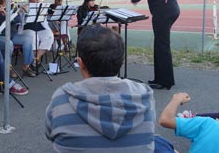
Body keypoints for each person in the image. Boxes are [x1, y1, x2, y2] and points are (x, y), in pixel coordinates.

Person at [45, 24, 157, 152]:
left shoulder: (62, 98)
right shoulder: (144, 96)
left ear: (80, 63)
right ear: (120, 61)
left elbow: (50, 133)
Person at [131, 0, 180, 90]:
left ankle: (165, 81)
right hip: (169, 10)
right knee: (161, 44)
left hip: (163, 12)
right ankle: (160, 78)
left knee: (162, 45)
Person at [0, 0, 36, 77]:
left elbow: (17, 20)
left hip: (12, 35)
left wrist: (10, 14)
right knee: (8, 43)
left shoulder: (13, 8)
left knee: (28, 39)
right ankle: (8, 68)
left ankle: (26, 66)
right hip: (0, 36)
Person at [21, 0, 53, 65]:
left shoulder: (42, 7)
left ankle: (36, 58)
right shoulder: (25, 7)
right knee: (33, 35)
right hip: (27, 29)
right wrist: (25, 13)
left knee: (49, 35)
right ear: (30, 0)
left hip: (40, 29)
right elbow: (21, 20)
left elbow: (45, 20)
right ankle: (33, 61)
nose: (38, 0)